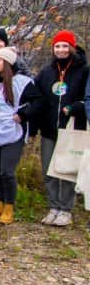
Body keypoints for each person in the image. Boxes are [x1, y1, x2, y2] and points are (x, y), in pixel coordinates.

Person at [33, 30, 87, 226]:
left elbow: (87, 99)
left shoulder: (83, 70)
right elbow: (36, 96)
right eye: (57, 46)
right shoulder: (47, 72)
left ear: (72, 48)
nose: (61, 50)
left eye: (65, 46)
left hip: (72, 128)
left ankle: (66, 209)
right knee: (49, 169)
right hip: (49, 130)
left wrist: (74, 108)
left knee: (67, 170)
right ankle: (53, 207)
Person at [0, 47, 40, 225]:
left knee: (7, 171)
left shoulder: (22, 82)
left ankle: (9, 207)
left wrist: (23, 115)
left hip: (12, 133)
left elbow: (38, 102)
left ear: (8, 63)